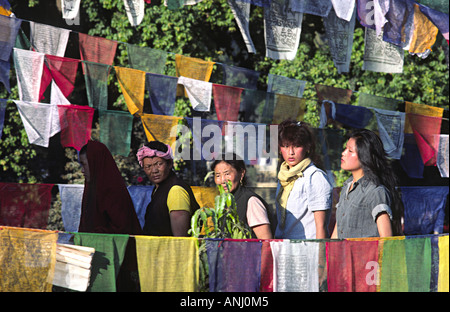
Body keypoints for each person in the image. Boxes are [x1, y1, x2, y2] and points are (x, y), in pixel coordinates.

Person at [331, 129, 404, 239]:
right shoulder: (346, 187)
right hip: (343, 255)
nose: (343, 153)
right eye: (345, 148)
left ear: (364, 156)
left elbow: (387, 239)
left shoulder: (375, 191)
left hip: (367, 256)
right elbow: (338, 229)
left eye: (350, 151)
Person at [275, 119, 333, 239]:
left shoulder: (314, 177)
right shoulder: (283, 176)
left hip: (306, 249)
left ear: (307, 147)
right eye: (285, 146)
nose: (291, 152)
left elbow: (321, 226)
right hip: (283, 247)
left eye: (296, 146)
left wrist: (320, 257)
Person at [78, 140, 142, 235]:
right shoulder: (91, 189)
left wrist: (92, 235)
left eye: (84, 165)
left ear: (94, 163)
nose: (82, 171)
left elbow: (122, 228)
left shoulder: (113, 190)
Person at [136, 141, 200, 236]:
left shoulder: (176, 191)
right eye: (148, 166)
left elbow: (180, 239)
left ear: (169, 164)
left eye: (159, 164)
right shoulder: (159, 189)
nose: (154, 170)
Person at [212, 153, 276, 239]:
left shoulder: (251, 201)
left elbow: (266, 242)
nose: (222, 180)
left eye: (227, 174)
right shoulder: (225, 203)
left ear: (241, 173)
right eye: (218, 175)